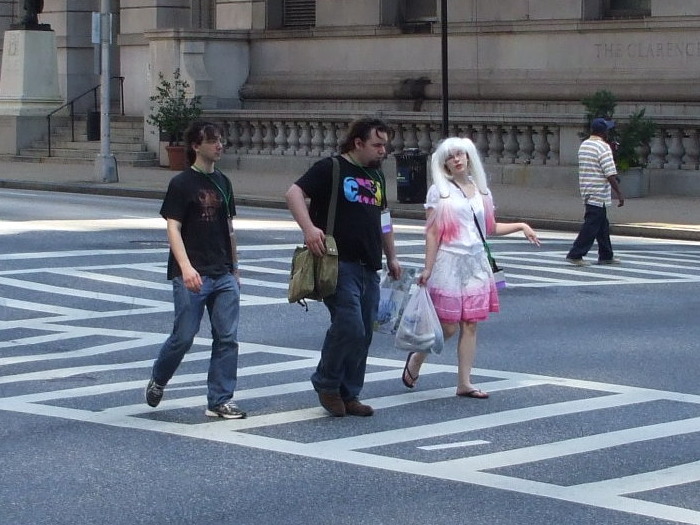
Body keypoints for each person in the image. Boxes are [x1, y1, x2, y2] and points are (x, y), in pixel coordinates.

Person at [401, 137, 540, 398]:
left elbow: (489, 228)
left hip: (476, 262)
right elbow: (432, 233)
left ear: (469, 157)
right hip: (449, 261)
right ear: (444, 163)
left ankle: (464, 382)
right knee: (449, 325)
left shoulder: (480, 190)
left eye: (460, 155)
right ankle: (418, 357)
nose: (457, 159)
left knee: (471, 323)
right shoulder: (439, 191)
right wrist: (427, 268)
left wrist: (521, 226)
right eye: (451, 157)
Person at [285, 117, 402, 417]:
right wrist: (309, 229)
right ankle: (326, 382)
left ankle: (350, 393)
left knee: (364, 332)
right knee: (349, 324)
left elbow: (384, 219)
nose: (383, 151)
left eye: (385, 145)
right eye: (377, 145)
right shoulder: (331, 168)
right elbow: (294, 193)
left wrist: (392, 256)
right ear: (358, 143)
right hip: (337, 263)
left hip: (369, 264)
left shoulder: (376, 178)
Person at [145, 121, 246, 419]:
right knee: (184, 336)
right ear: (195, 146)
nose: (219, 145)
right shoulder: (181, 184)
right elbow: (173, 228)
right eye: (212, 141)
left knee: (227, 337)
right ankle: (159, 378)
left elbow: (229, 228)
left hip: (223, 272)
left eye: (221, 140)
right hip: (192, 273)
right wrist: (186, 268)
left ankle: (220, 400)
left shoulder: (224, 182)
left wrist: (235, 267)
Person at [566, 117, 624, 266]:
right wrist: (619, 193)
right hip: (599, 192)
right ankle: (576, 254)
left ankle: (606, 254)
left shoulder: (584, 145)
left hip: (587, 189)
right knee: (592, 225)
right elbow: (609, 173)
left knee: (602, 225)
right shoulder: (603, 147)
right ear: (604, 132)